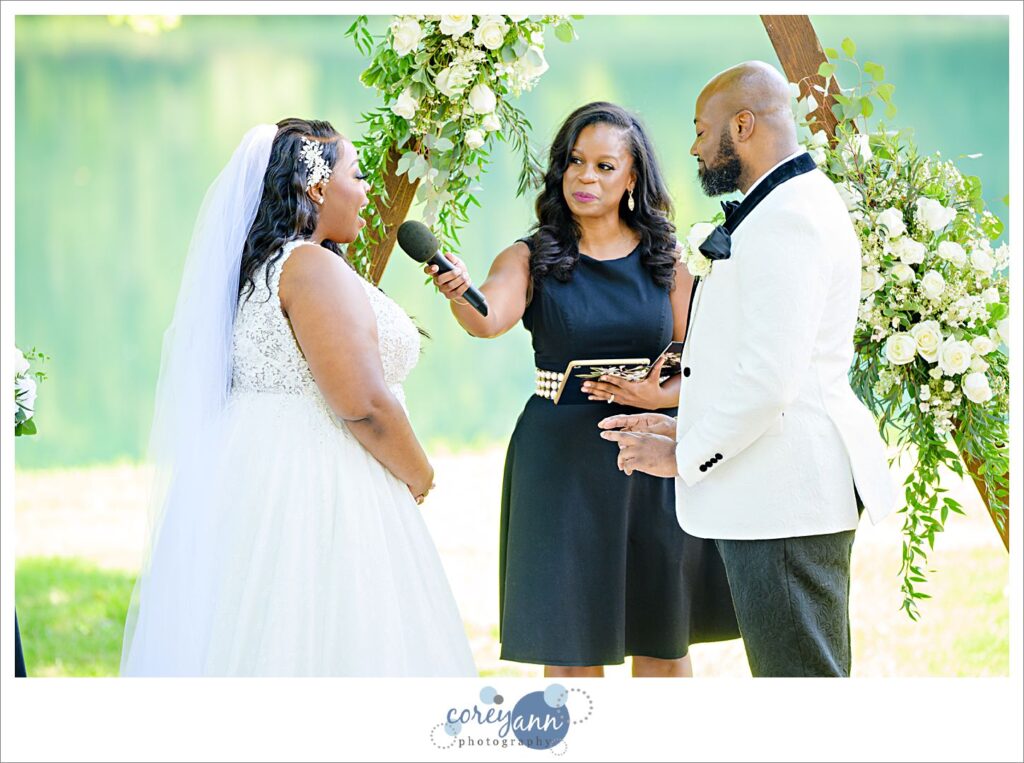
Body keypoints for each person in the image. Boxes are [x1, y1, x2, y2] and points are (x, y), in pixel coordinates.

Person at [120, 119, 476, 676]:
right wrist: (420, 473)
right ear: (316, 187)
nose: (367, 192)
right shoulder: (309, 266)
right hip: (317, 484)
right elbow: (362, 402)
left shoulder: (260, 268)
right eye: (357, 176)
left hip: (252, 476)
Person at [600, 62, 896, 677]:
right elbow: (749, 363)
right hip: (777, 495)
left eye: (702, 130)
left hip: (785, 502)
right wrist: (683, 428)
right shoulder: (782, 205)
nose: (693, 145)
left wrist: (685, 455)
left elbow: (768, 382)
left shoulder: (788, 218)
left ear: (743, 124)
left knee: (800, 692)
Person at [427, 102, 738, 678]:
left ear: (632, 178)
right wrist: (460, 290)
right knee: (570, 646)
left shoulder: (667, 257)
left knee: (663, 643)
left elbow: (703, 361)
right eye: (574, 163)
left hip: (652, 458)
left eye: (603, 165)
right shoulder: (529, 256)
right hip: (560, 461)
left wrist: (660, 399)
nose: (585, 178)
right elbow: (488, 317)